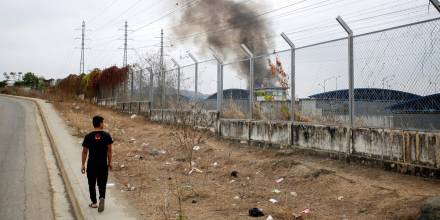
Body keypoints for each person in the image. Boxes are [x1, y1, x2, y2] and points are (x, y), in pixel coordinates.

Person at [81, 115, 113, 212]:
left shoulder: (88, 136)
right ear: (100, 124)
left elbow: (85, 151)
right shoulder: (107, 136)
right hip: (102, 164)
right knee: (102, 183)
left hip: (91, 164)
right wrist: (110, 162)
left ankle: (94, 203)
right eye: (103, 122)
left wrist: (83, 164)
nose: (103, 124)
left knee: (91, 183)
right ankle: (102, 197)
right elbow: (109, 151)